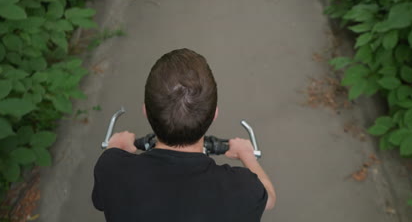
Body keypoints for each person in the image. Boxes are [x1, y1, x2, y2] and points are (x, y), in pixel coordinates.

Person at [92, 48, 276, 222]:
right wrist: (247, 155)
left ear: (146, 111)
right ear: (214, 115)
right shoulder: (243, 189)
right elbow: (269, 198)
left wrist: (114, 147)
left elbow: (101, 199)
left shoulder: (112, 169)